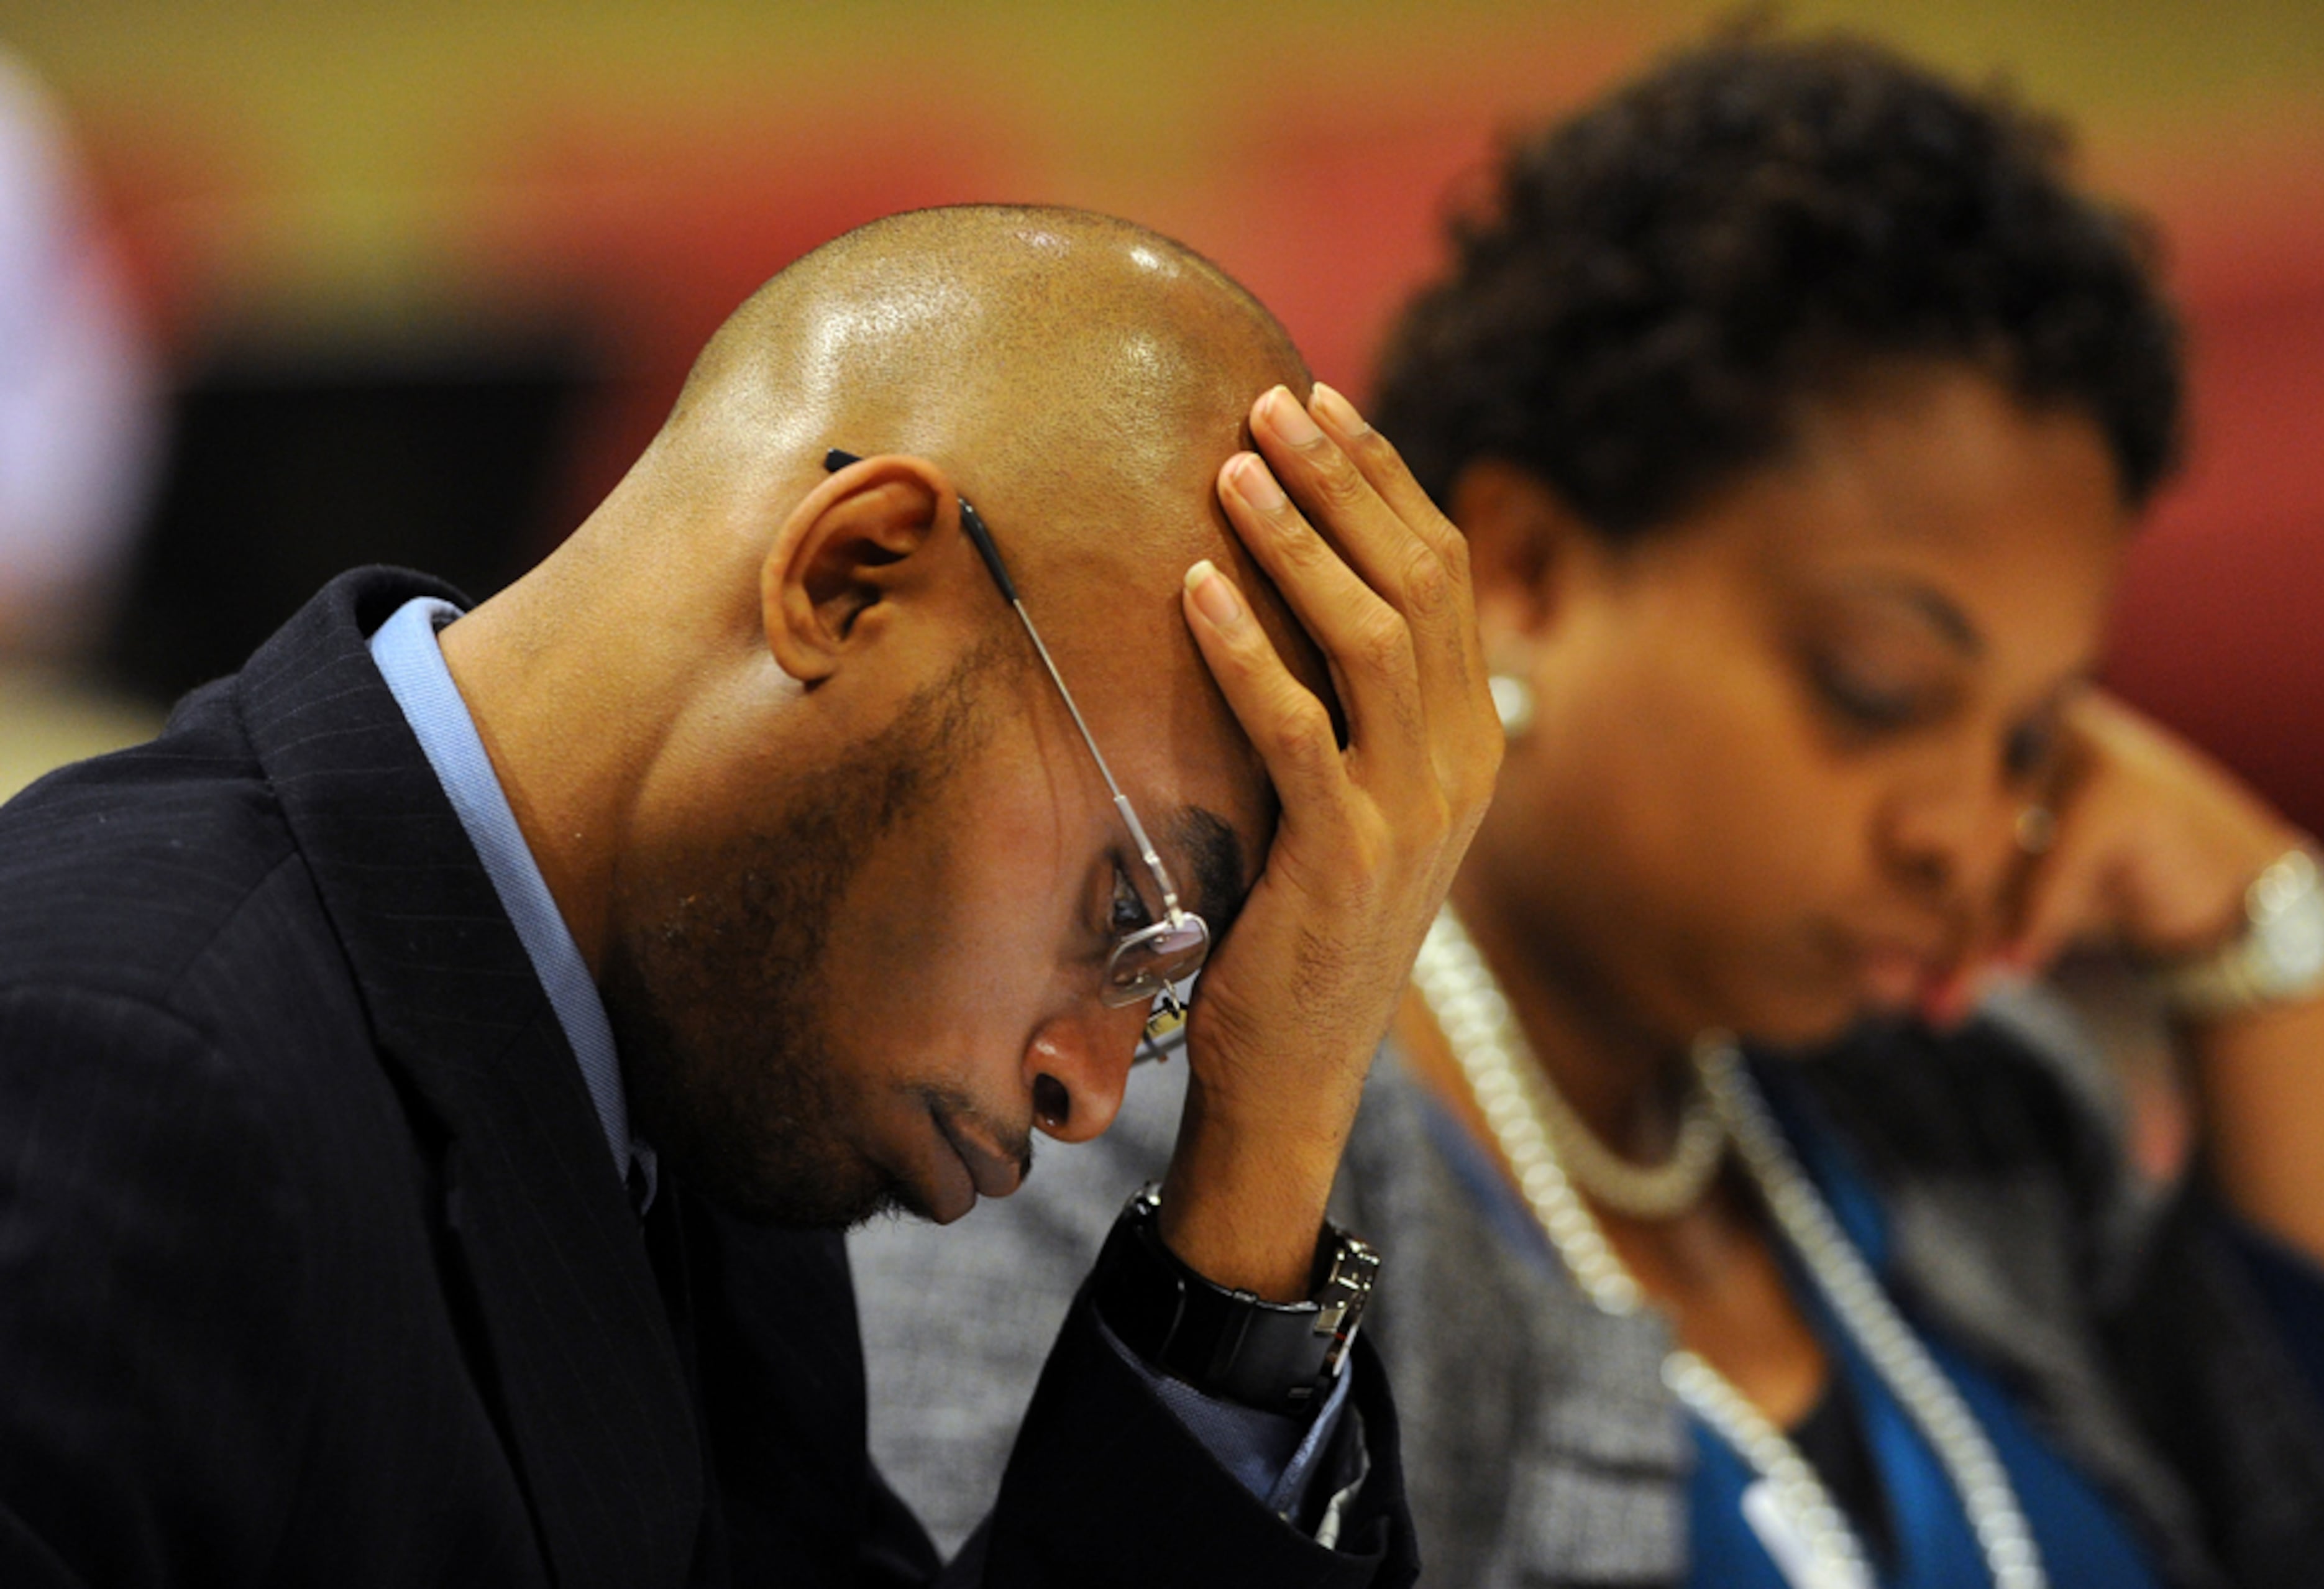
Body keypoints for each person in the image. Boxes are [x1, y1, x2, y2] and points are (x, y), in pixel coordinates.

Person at [849, 39, 2324, 1588]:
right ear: (1527, 573)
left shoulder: (1962, 1100)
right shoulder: (1115, 1116)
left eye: (2036, 735)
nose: (1967, 832)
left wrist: (2254, 912)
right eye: (1878, 685)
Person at [0, 203, 1507, 1586]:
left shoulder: (693, 1062)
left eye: (1160, 1004)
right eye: (1128, 914)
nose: (1092, 1098)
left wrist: (1276, 1122)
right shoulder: (117, 1078)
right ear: (847, 577)